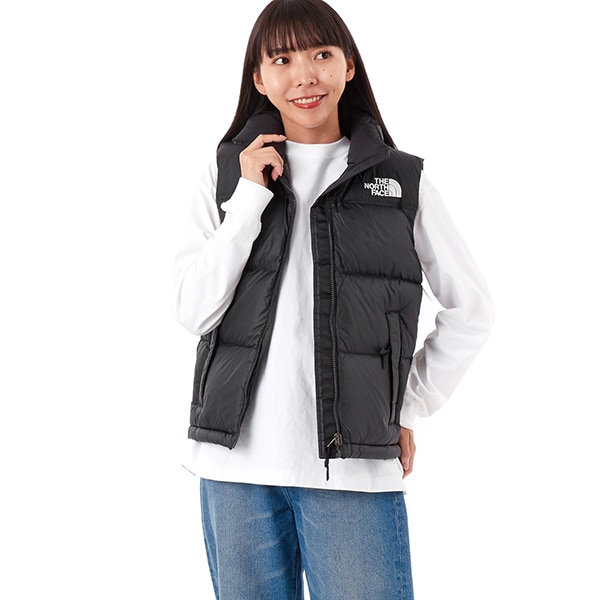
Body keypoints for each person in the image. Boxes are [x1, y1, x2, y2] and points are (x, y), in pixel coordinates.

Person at [173, 0, 494, 598]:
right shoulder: (224, 177)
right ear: (259, 78)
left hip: (353, 471)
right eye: (282, 60)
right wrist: (248, 199)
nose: (305, 76)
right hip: (233, 469)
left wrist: (404, 406)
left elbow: (472, 309)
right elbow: (195, 311)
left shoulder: (401, 180)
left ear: (349, 66)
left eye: (321, 54)